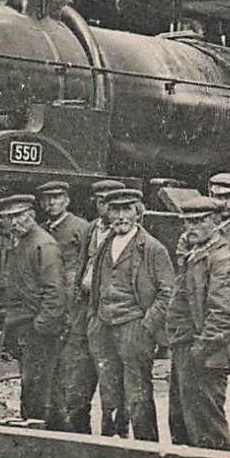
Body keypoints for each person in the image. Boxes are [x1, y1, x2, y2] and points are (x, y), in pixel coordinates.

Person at [88, 187, 173, 441]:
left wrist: (146, 326)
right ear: (107, 213)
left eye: (127, 209)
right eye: (115, 209)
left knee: (137, 395)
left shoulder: (152, 248)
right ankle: (112, 443)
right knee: (109, 392)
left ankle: (147, 449)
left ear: (138, 212)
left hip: (134, 327)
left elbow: (168, 292)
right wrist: (94, 319)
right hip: (104, 325)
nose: (121, 216)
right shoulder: (105, 244)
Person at [162, 195, 230, 450]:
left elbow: (223, 316)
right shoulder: (195, 254)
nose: (191, 228)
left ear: (216, 222)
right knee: (183, 423)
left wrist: (197, 353)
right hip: (186, 351)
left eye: (198, 222)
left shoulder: (221, 261)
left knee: (207, 428)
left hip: (205, 357)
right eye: (187, 223)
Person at [56, 179, 122, 433]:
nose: (103, 207)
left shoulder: (126, 235)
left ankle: (109, 438)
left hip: (109, 315)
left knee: (111, 389)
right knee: (77, 383)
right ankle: (79, 438)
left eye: (109, 202)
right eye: (100, 201)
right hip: (84, 312)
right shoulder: (91, 229)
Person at [0, 193, 65, 426]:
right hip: (23, 324)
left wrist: (42, 326)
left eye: (19, 216)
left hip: (38, 327)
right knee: (31, 379)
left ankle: (40, 428)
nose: (14, 223)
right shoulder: (21, 243)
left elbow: (54, 291)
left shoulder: (43, 244)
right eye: (9, 218)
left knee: (41, 381)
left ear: (32, 215)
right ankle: (31, 423)